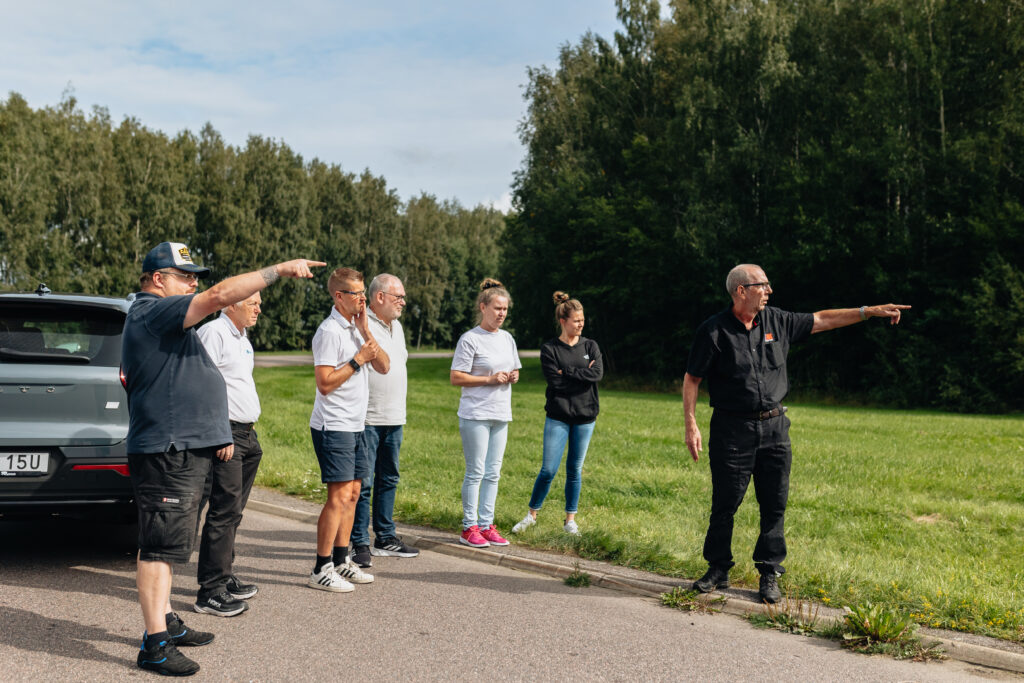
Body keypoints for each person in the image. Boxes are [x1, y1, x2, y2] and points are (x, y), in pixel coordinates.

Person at [123, 241, 322, 676]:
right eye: (186, 275)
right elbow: (217, 297)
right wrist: (279, 270)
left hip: (180, 450)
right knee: (158, 550)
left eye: (196, 275)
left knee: (169, 546)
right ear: (158, 279)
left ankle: (166, 622)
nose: (195, 282)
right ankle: (154, 645)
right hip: (166, 452)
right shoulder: (153, 311)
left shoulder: (164, 321)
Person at [683, 263, 910, 604]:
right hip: (733, 429)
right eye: (763, 285)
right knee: (725, 503)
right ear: (741, 290)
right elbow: (692, 379)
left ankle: (769, 573)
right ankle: (718, 569)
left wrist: (866, 312)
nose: (769, 290)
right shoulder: (713, 331)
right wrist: (691, 423)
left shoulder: (777, 321)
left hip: (775, 428)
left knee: (774, 504)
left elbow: (823, 319)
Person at [307, 267, 389, 592]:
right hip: (334, 425)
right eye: (356, 294)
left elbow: (384, 366)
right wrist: (357, 360)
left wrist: (367, 331)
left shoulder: (356, 328)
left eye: (363, 293)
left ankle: (342, 561)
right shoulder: (329, 331)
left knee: (354, 495)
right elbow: (324, 383)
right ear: (339, 296)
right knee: (338, 497)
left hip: (356, 425)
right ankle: (320, 567)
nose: (362, 299)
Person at [193, 292, 264, 617]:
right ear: (231, 303)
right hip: (226, 434)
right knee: (223, 510)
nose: (258, 308)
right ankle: (210, 592)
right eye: (253, 302)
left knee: (234, 510)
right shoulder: (214, 333)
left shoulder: (241, 337)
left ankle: (224, 573)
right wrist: (219, 432)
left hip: (246, 435)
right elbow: (199, 386)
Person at [512, 291, 603, 536]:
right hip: (558, 416)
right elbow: (556, 383)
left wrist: (568, 372)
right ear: (563, 321)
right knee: (549, 470)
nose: (581, 324)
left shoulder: (591, 346)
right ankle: (531, 515)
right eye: (576, 320)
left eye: (582, 320)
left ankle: (570, 520)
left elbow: (597, 375)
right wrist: (579, 374)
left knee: (575, 470)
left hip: (586, 417)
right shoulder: (550, 349)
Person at [350, 274, 420, 568]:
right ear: (379, 297)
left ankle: (385, 537)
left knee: (389, 478)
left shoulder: (398, 327)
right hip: (368, 417)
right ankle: (359, 542)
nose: (403, 302)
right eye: (398, 297)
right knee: (363, 484)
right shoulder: (360, 324)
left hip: (394, 416)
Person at [450, 278, 521, 548]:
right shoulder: (470, 339)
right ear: (483, 307)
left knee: (494, 472)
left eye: (505, 309)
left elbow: (513, 369)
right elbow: (456, 377)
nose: (501, 313)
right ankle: (469, 527)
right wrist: (489, 380)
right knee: (476, 472)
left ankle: (486, 524)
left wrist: (512, 376)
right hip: (475, 414)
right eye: (497, 308)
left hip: (501, 413)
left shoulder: (507, 339)